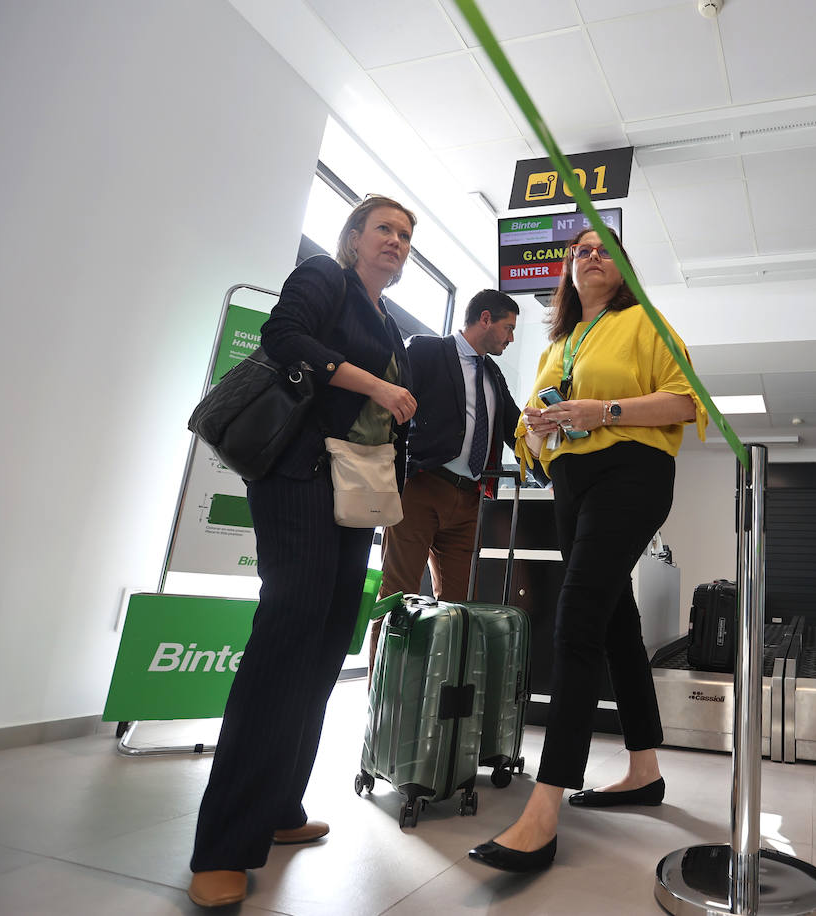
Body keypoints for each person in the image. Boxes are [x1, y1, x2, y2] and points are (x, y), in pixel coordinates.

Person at [187, 196, 418, 908]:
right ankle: (223, 844)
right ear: (353, 237)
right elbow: (284, 337)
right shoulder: (325, 278)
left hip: (353, 497)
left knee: (323, 651)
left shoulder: (387, 323)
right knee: (286, 644)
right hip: (297, 480)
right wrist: (378, 383)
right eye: (385, 229)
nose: (396, 242)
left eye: (406, 237)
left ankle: (279, 806)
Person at [467, 226, 707, 873]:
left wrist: (605, 411)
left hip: (631, 474)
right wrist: (540, 429)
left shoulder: (644, 324)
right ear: (568, 272)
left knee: (576, 620)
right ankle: (645, 770)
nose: (591, 256)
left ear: (623, 268)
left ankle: (544, 812)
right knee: (615, 624)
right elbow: (530, 442)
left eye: (604, 250)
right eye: (580, 251)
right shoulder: (560, 344)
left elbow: (687, 399)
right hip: (571, 486)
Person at [370, 289, 520, 675]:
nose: (511, 338)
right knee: (396, 597)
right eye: (508, 328)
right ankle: (382, 700)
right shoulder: (425, 350)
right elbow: (387, 407)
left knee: (456, 609)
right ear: (485, 318)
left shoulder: (493, 373)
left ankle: (437, 701)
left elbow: (513, 429)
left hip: (469, 500)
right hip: (421, 487)